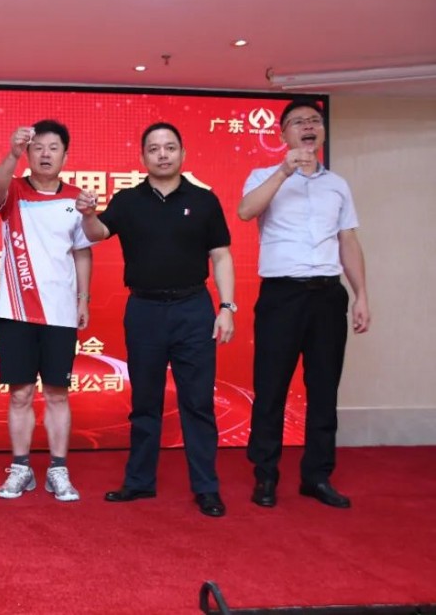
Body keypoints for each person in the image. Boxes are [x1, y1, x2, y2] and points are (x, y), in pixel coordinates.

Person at [77, 122, 235, 518]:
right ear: (143, 156)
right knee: (145, 401)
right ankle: (139, 481)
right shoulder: (128, 200)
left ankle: (206, 488)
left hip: (193, 310)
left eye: (169, 147)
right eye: (154, 148)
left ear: (183, 153)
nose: (162, 154)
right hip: (144, 310)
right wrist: (88, 215)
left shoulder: (204, 200)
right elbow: (96, 233)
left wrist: (227, 307)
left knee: (197, 402)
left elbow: (221, 256)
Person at [239, 98, 370, 509]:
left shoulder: (338, 185)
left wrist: (361, 295)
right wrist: (284, 171)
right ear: (283, 134)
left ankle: (317, 476)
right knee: (271, 388)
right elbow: (245, 211)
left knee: (324, 388)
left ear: (322, 132)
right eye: (298, 122)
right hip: (282, 295)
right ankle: (265, 476)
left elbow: (348, 241)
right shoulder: (264, 175)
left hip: (328, 295)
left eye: (315, 120)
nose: (308, 126)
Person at [0, 120, 92, 502]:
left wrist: (83, 299)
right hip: (15, 309)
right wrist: (12, 154)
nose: (45, 154)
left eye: (53, 148)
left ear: (65, 154)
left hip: (59, 313)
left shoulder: (77, 198)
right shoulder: (14, 190)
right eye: (38, 147)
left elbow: (82, 252)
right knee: (20, 394)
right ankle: (20, 468)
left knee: (57, 394)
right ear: (29, 153)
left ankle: (58, 470)